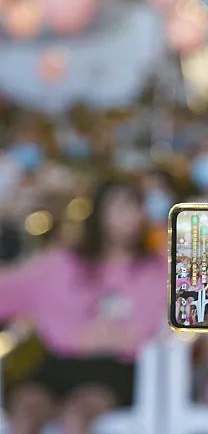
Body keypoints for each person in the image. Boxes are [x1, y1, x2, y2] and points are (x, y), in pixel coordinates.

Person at [0, 177, 167, 434]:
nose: (131, 215)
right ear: (99, 211)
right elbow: (11, 290)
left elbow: (150, 327)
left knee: (77, 416)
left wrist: (116, 339)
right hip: (60, 363)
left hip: (115, 370)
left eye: (136, 205)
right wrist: (80, 338)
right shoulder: (62, 263)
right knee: (26, 412)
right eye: (121, 206)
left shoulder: (156, 268)